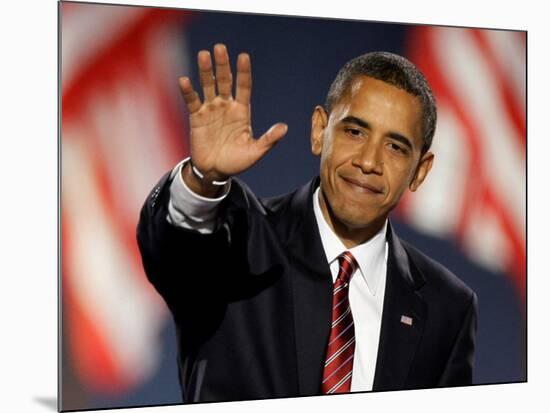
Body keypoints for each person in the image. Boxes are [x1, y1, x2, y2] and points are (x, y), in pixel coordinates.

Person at [137, 43, 478, 403]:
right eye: (354, 132)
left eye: (395, 147)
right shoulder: (238, 240)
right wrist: (203, 179)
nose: (369, 161)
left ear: (420, 171)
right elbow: (173, 248)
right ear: (319, 131)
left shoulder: (448, 308)